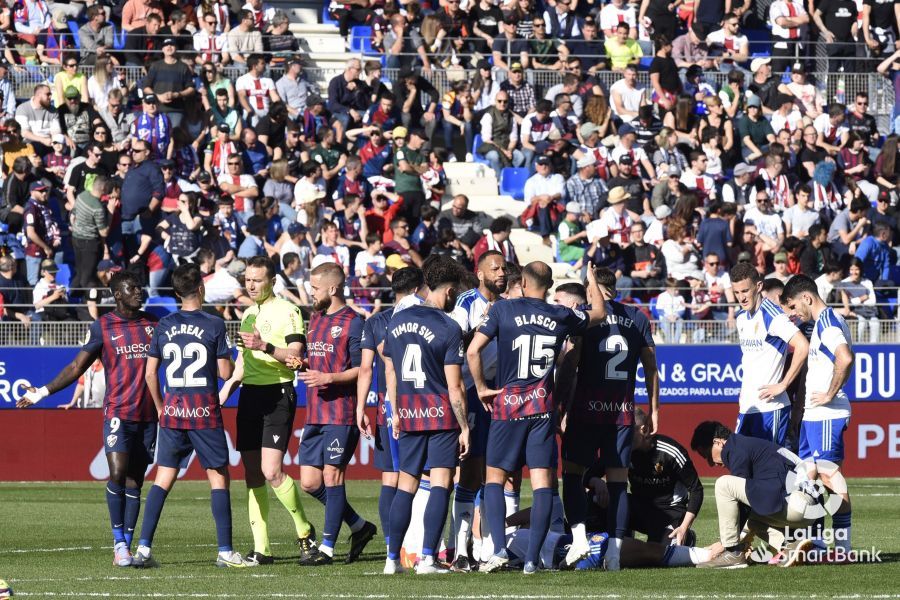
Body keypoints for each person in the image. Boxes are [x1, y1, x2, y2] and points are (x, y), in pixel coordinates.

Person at [467, 263, 609, 574]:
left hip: (507, 406)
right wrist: (591, 280)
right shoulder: (560, 314)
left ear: (523, 282)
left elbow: (473, 351)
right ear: (548, 284)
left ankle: (498, 551)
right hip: (542, 410)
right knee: (544, 484)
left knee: (494, 478)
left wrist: (480, 388)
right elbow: (599, 312)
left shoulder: (502, 310)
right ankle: (532, 561)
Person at [17, 271, 158, 567]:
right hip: (118, 412)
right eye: (132, 288)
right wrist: (42, 392)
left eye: (140, 287)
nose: (139, 292)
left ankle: (127, 548)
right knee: (118, 473)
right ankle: (118, 541)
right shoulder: (103, 327)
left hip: (148, 416)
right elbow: (76, 366)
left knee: (135, 481)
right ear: (118, 294)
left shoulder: (154, 324)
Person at [132, 264, 246, 568]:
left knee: (163, 478)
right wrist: (238, 360)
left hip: (173, 412)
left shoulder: (164, 325)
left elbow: (150, 374)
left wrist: (159, 406)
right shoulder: (214, 324)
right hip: (204, 412)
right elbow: (225, 373)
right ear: (201, 288)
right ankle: (225, 551)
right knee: (218, 477)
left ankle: (143, 550)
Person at [217, 256, 315, 567]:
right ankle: (262, 549)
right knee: (253, 475)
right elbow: (241, 368)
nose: (251, 284)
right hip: (249, 397)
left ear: (271, 281)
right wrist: (222, 395)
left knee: (273, 471)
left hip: (278, 393)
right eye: (248, 279)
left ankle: (305, 533)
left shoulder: (289, 310)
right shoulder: (247, 314)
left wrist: (265, 347)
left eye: (257, 279)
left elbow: (297, 358)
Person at [558, 267, 660, 570]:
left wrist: (560, 405)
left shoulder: (587, 316)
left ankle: (578, 540)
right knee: (618, 483)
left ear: (593, 289)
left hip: (587, 411)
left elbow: (571, 363)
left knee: (573, 476)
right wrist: (655, 409)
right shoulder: (637, 317)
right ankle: (615, 553)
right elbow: (651, 366)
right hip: (620, 414)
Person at [382, 255, 470, 575]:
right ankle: (428, 559)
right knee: (441, 485)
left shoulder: (395, 321)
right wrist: (465, 427)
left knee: (405, 485)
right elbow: (455, 386)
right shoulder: (449, 327)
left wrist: (395, 412)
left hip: (407, 412)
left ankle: (392, 559)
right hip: (441, 415)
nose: (455, 299)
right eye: (455, 294)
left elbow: (390, 369)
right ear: (447, 291)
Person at [286, 262, 376, 565]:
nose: (311, 293)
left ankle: (325, 549)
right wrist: (302, 365)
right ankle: (360, 526)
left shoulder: (354, 322)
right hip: (314, 413)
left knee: (332, 476)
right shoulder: (315, 319)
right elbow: (315, 360)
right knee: (310, 483)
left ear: (333, 288)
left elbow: (361, 369)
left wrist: (329, 378)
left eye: (315, 288)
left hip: (340, 413)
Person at [781, 275, 854, 560]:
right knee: (806, 477)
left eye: (793, 307)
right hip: (815, 415)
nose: (794, 314)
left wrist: (829, 393)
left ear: (807, 298)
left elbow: (845, 358)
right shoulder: (823, 323)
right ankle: (813, 542)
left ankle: (843, 548)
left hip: (826, 414)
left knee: (829, 479)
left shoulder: (828, 323)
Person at [356, 266, 424, 563]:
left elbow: (364, 369)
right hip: (422, 403)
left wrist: (361, 407)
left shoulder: (376, 321)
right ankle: (418, 546)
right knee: (424, 478)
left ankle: (391, 546)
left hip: (387, 405)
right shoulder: (425, 318)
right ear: (416, 290)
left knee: (391, 478)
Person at [448, 250, 507, 571]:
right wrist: (481, 329)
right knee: (471, 470)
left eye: (504, 268)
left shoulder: (509, 302)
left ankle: (489, 545)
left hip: (501, 393)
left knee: (497, 471)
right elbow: (452, 337)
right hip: (472, 394)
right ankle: (461, 549)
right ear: (481, 273)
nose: (501, 273)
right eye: (494, 268)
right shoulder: (467, 302)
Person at [690, 421, 817, 569]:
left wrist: (726, 545)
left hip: (797, 503)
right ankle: (790, 544)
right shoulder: (747, 445)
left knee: (723, 484)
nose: (710, 464)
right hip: (807, 508)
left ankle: (733, 554)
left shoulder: (735, 449)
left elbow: (741, 505)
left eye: (707, 455)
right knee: (752, 519)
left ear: (717, 442)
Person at [730, 261, 809, 446]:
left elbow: (803, 346)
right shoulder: (741, 317)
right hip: (747, 407)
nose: (741, 297)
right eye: (737, 292)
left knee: (768, 471)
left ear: (758, 286)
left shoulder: (772, 316)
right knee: (741, 467)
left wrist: (783, 384)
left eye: (745, 291)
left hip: (771, 409)